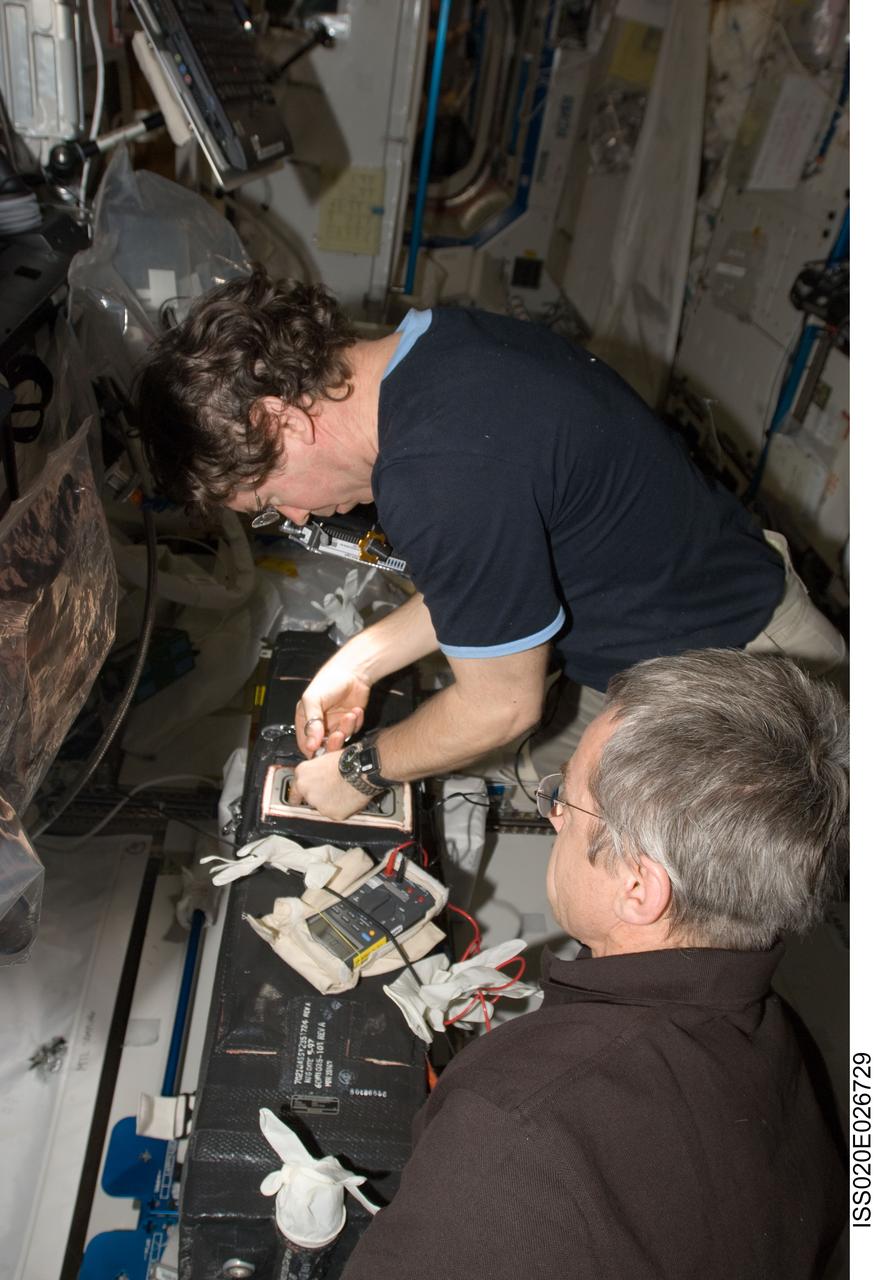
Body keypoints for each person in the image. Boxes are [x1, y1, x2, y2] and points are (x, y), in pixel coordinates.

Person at [135, 268, 846, 821]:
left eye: (268, 498)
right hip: (685, 617)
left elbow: (501, 709)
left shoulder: (435, 476)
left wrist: (360, 772)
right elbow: (491, 575)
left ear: (277, 419)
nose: (294, 512)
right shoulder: (436, 343)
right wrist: (360, 660)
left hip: (752, 679)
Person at [338, 648, 849, 1280]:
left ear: (639, 888)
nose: (553, 814)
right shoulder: (778, 1032)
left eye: (567, 801)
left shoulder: (515, 1124)